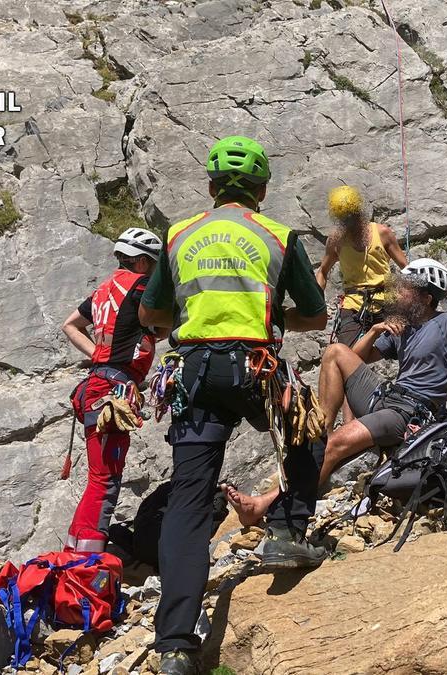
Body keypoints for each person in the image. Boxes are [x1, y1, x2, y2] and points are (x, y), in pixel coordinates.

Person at [137, 135, 329, 675]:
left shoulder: (178, 236)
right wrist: (270, 319)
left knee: (189, 502)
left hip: (194, 375)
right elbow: (314, 317)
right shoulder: (277, 235)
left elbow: (153, 316)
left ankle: (175, 645)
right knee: (305, 432)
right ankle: (288, 533)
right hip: (256, 368)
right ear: (263, 189)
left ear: (211, 187)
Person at [225, 258, 447, 526]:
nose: (398, 292)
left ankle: (265, 504)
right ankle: (321, 429)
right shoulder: (404, 327)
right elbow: (357, 358)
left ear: (426, 298)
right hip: (387, 396)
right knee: (335, 352)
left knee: (334, 447)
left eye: (406, 288)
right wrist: (375, 329)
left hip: (410, 411)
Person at [61, 227, 167, 553]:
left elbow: (70, 325)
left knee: (98, 477)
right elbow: (167, 323)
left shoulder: (103, 291)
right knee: (105, 480)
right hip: (113, 392)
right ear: (143, 263)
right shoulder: (142, 287)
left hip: (96, 385)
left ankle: (74, 553)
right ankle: (88, 560)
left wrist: (97, 352)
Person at [315, 185, 408, 347]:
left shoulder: (382, 233)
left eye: (351, 216)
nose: (350, 221)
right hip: (353, 304)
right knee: (347, 353)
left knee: (406, 343)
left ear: (359, 211)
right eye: (345, 218)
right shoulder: (336, 240)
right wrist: (316, 301)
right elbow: (323, 271)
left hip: (386, 299)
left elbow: (406, 268)